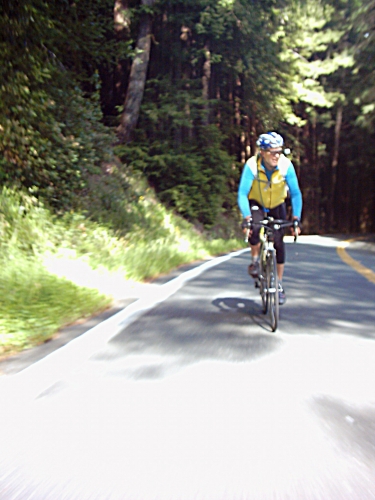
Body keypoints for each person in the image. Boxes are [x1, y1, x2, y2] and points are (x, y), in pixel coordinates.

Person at [237, 131, 302, 305]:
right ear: (263, 152)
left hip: (277, 205)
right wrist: (247, 217)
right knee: (255, 227)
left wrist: (296, 218)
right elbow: (242, 194)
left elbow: (295, 193)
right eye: (273, 152)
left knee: (280, 243)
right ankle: (255, 261)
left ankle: (278, 284)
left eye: (279, 151)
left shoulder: (286, 165)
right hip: (256, 202)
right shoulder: (252, 165)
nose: (277, 156)